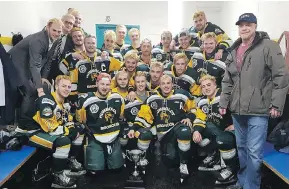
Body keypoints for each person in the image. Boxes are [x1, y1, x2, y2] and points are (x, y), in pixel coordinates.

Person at [219, 13, 289, 189]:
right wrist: (223, 102)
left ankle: (252, 186)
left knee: (254, 153)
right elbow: (228, 80)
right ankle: (243, 181)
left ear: (255, 26)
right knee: (242, 150)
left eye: (248, 24)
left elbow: (280, 76)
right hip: (237, 109)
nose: (244, 28)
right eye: (241, 25)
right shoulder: (234, 50)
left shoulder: (269, 46)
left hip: (259, 110)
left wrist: (276, 104)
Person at [15, 75, 86, 188]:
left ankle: (69, 161)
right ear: (56, 86)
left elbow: (68, 121)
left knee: (80, 130)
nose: (67, 89)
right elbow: (51, 128)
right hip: (29, 132)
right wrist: (70, 131)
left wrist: (74, 128)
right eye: (63, 86)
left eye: (69, 87)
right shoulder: (46, 101)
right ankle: (57, 176)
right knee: (64, 141)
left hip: (42, 130)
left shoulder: (63, 103)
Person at [133, 74, 195, 183]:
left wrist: (190, 117)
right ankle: (143, 160)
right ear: (159, 85)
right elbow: (144, 115)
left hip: (177, 128)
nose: (166, 86)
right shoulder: (152, 98)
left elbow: (194, 109)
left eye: (168, 83)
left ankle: (183, 163)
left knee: (184, 132)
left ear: (172, 84)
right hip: (162, 134)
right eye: (163, 84)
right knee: (170, 160)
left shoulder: (183, 95)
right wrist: (134, 128)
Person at [8, 18, 63, 124]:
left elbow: (49, 60)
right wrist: (39, 89)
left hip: (28, 63)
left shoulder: (57, 39)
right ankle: (24, 124)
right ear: (48, 27)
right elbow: (35, 65)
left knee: (42, 86)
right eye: (54, 30)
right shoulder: (38, 40)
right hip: (16, 62)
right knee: (30, 91)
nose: (56, 33)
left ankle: (34, 118)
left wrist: (43, 78)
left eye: (59, 31)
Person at [76, 73, 126, 174]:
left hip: (114, 137)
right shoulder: (86, 100)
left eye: (107, 85)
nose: (105, 87)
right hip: (95, 138)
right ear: (97, 83)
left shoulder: (117, 98)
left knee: (117, 170)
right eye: (102, 84)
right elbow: (81, 121)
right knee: (95, 172)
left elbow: (121, 117)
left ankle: (118, 154)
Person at [192, 75, 237, 185]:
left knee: (222, 140)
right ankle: (215, 154)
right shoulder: (202, 102)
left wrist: (236, 124)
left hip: (232, 131)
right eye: (203, 86)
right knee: (197, 132)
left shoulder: (225, 95)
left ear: (215, 85)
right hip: (218, 131)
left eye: (209, 85)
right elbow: (199, 118)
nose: (206, 88)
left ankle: (231, 169)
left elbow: (240, 109)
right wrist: (196, 131)